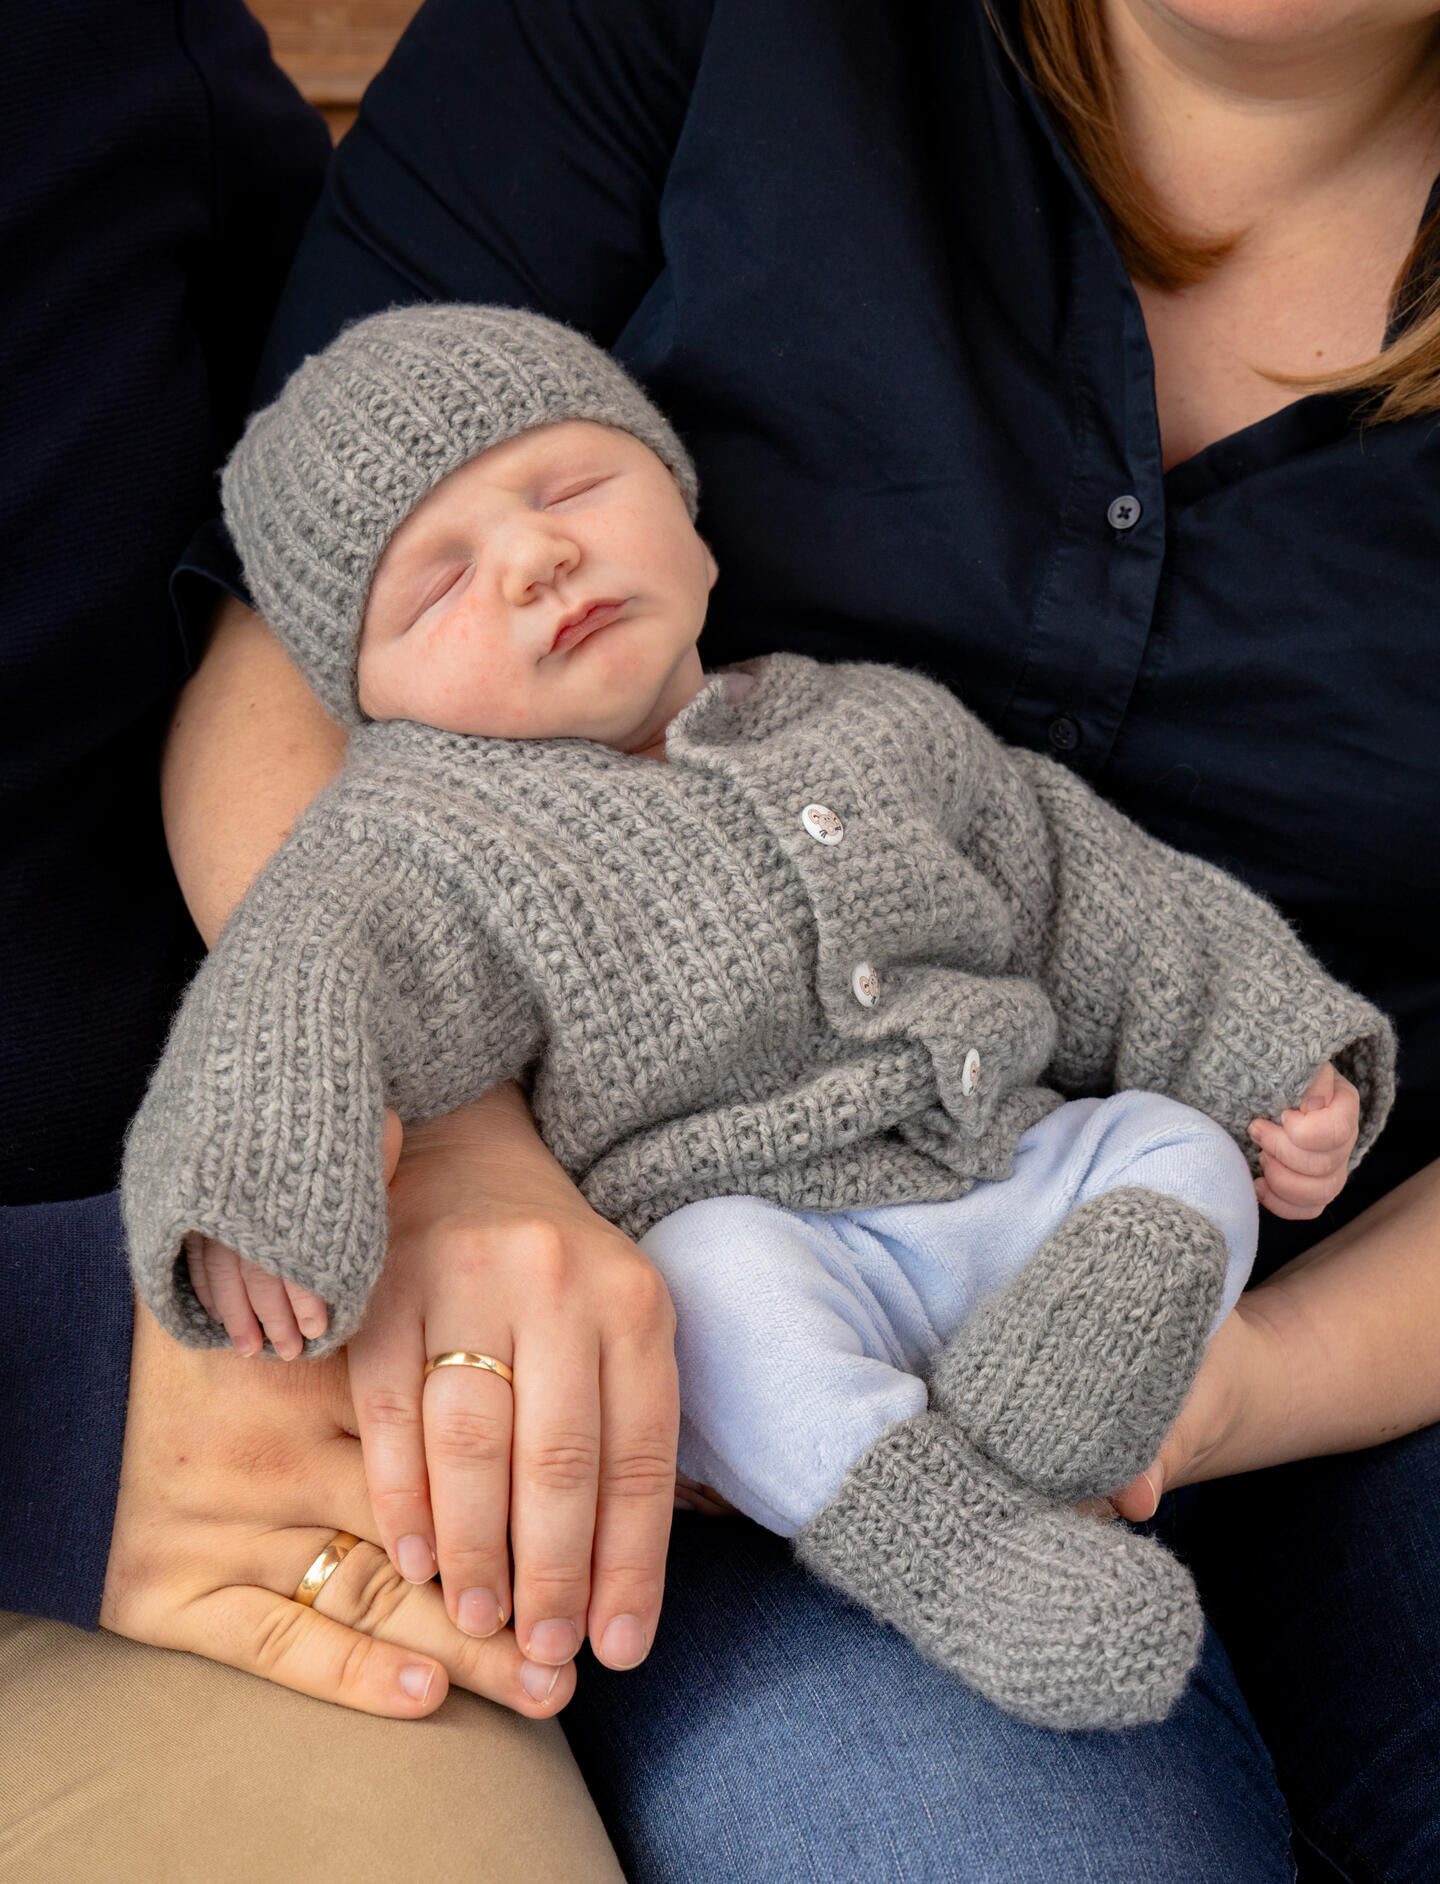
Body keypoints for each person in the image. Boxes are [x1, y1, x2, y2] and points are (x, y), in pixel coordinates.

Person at [152, 0, 1440, 1876]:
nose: (526, 565)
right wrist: (438, 1175)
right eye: (452, 570)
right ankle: (941, 1533)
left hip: (1324, 1304)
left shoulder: (895, 749)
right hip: (707, 1305)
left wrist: (1239, 1375)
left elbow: (1113, 906)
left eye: (572, 499)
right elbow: (284, 720)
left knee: (1171, 1162)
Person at [0, 4, 625, 1877]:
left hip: (246, 1454)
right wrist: (57, 1394)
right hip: (132, 1429)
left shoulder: (104, 61)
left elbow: (325, 592)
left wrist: (445, 1128)